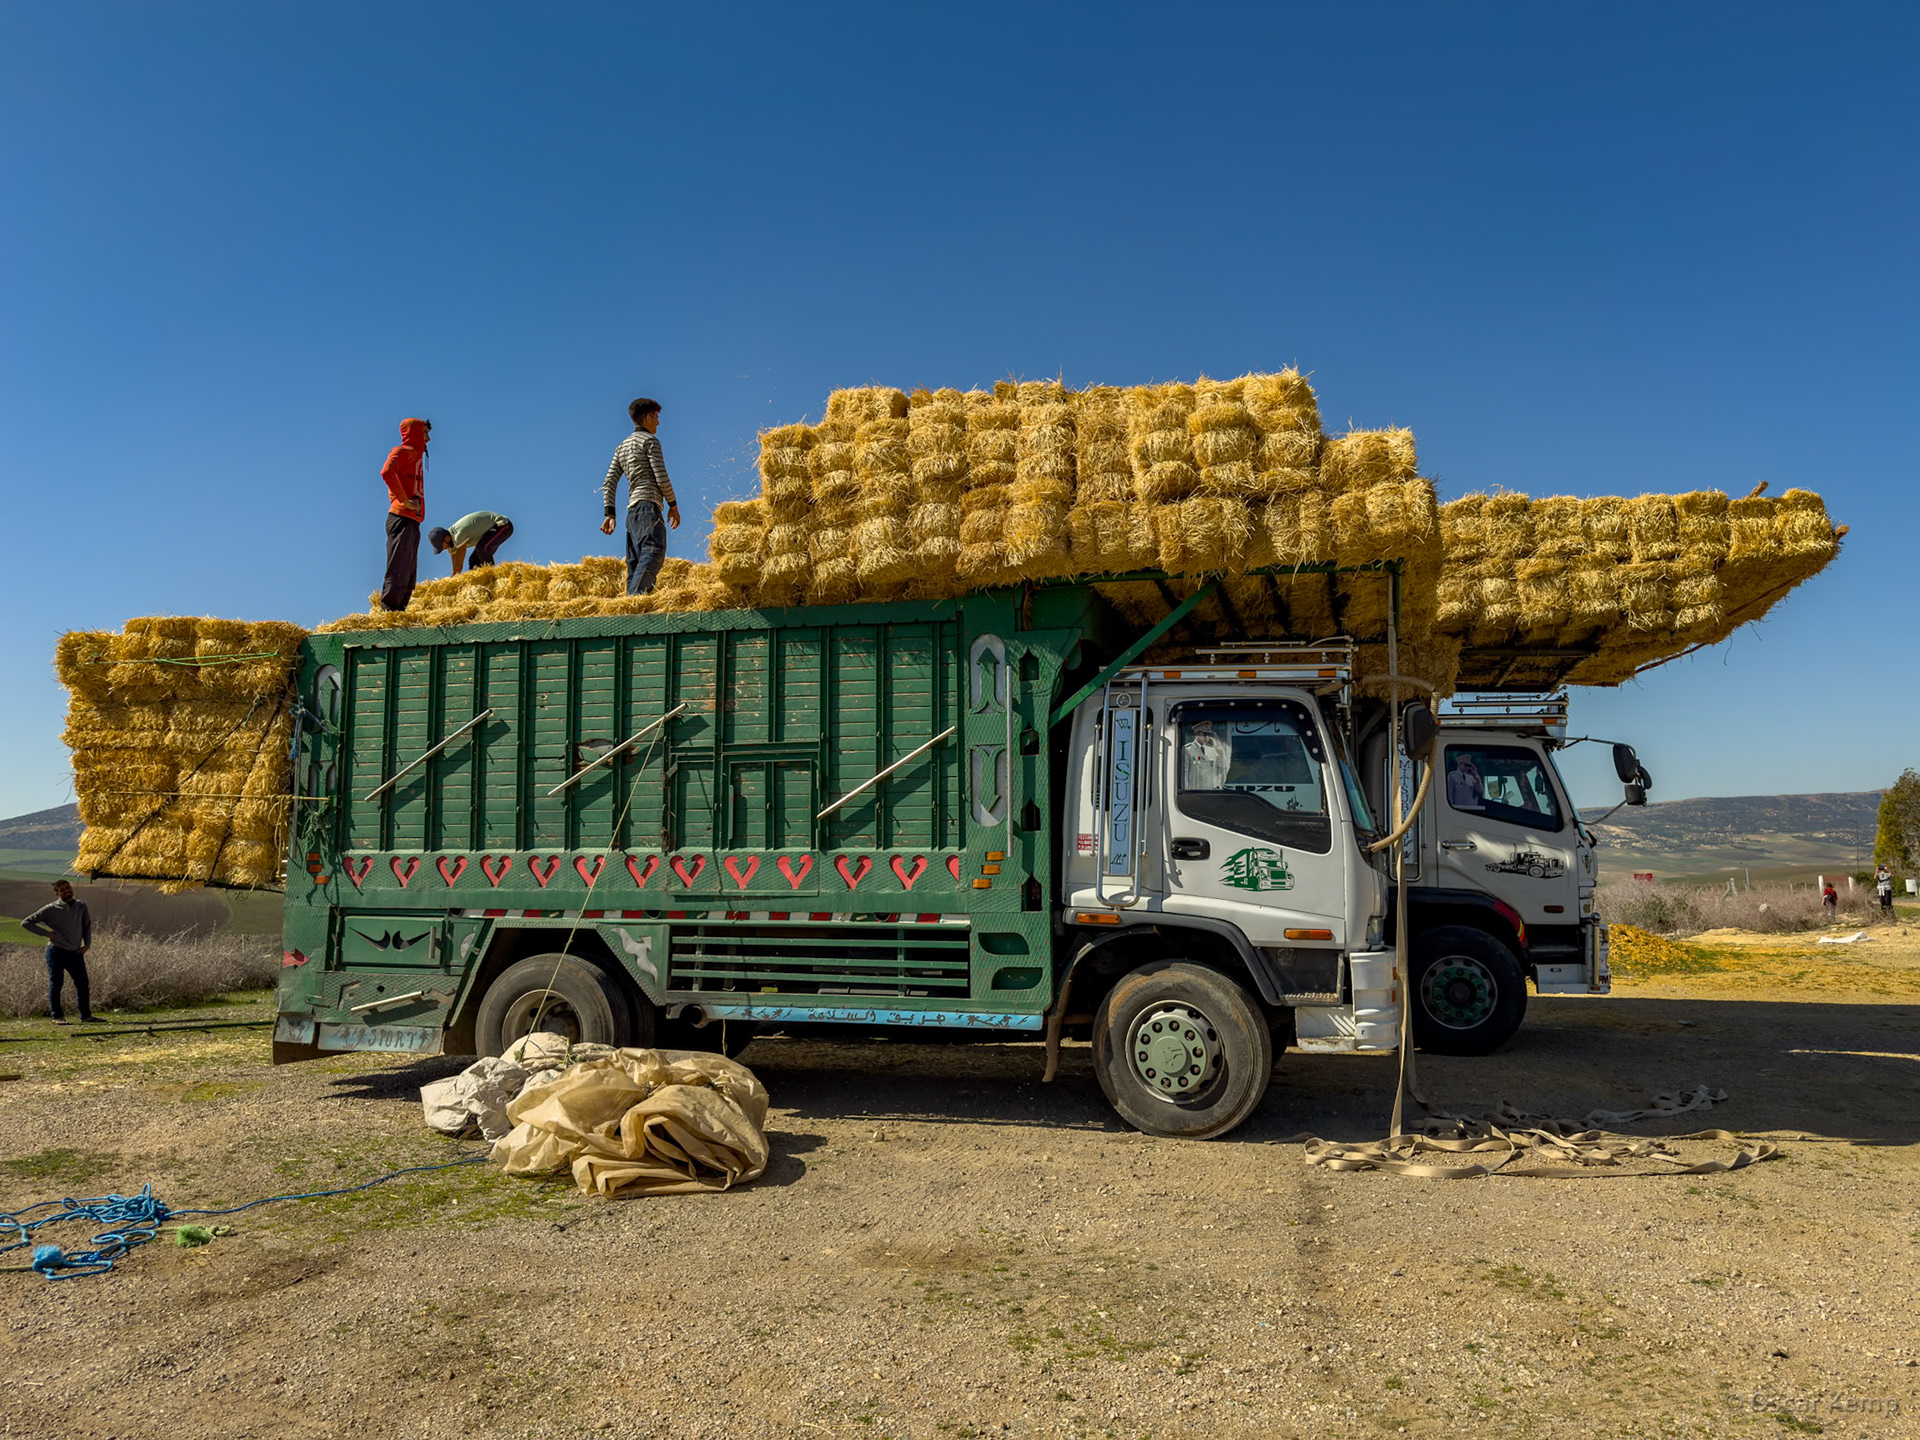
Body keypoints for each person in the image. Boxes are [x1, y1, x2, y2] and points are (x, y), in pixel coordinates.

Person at [600, 398, 681, 595]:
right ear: (647, 417)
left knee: (635, 562)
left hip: (632, 512)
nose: (658, 423)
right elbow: (661, 477)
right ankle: (634, 600)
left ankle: (630, 609)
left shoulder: (622, 447)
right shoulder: (650, 442)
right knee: (654, 552)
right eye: (656, 417)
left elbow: (609, 482)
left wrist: (609, 513)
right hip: (648, 506)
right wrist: (673, 504)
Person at [22, 880, 95, 1025]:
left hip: (76, 952)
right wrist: (47, 934)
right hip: (56, 951)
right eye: (62, 890)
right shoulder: (51, 909)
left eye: (68, 888)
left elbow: (86, 925)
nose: (67, 891)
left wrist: (87, 944)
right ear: (57, 893)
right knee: (56, 983)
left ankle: (86, 1016)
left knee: (82, 983)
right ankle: (57, 1016)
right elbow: (26, 922)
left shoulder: (81, 906)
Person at [380, 417, 431, 610]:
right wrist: (405, 501)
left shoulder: (415, 456)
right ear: (415, 432)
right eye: (425, 433)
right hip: (401, 517)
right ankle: (388, 613)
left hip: (413, 521)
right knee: (398, 568)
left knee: (409, 573)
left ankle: (399, 612)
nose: (428, 439)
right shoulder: (401, 452)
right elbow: (386, 472)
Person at [429, 510, 514, 575]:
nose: (443, 549)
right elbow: (455, 569)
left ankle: (492, 577)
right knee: (474, 560)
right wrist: (454, 575)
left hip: (503, 526)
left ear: (447, 539)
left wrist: (452, 584)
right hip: (489, 532)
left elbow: (459, 566)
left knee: (482, 548)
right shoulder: (451, 543)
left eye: (441, 546)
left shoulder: (459, 536)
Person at [1182, 720, 1232, 789]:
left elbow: (1223, 768)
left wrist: (1218, 747)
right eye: (1203, 734)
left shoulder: (1212, 750)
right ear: (1196, 734)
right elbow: (1184, 774)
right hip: (1194, 792)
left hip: (1209, 792)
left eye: (1208, 734)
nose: (1206, 737)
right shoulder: (1188, 749)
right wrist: (1186, 792)